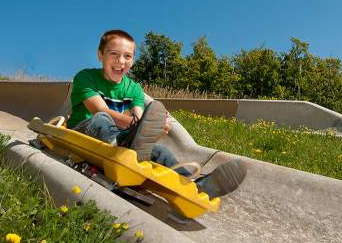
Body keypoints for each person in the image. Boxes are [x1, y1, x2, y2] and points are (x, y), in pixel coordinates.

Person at [67, 29, 246, 199]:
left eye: (127, 56)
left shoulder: (134, 88)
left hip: (119, 140)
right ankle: (119, 144)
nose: (121, 61)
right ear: (100, 55)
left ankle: (193, 185)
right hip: (82, 132)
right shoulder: (85, 77)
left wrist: (153, 129)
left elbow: (138, 120)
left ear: (133, 60)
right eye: (114, 54)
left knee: (160, 151)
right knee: (102, 119)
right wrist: (140, 127)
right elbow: (100, 110)